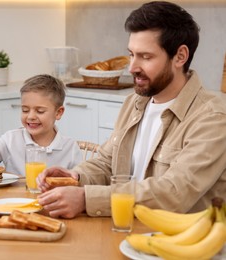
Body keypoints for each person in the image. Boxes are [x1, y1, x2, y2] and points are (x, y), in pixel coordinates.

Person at [37, 1, 226, 219]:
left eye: (146, 57)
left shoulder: (212, 118)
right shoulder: (134, 102)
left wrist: (85, 198)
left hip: (178, 245)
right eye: (131, 54)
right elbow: (108, 161)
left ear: (180, 56)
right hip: (125, 229)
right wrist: (77, 176)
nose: (132, 68)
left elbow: (174, 192)